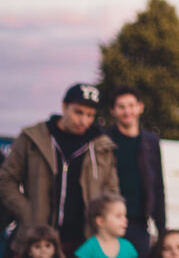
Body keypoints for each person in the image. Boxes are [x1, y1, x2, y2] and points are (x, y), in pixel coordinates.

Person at [0, 83, 119, 256]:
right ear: (64, 107)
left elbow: (111, 192)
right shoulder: (33, 137)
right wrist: (27, 211)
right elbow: (6, 179)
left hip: (83, 241)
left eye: (90, 115)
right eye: (78, 112)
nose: (84, 120)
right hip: (37, 240)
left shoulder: (102, 146)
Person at [106, 86, 167, 257]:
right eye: (121, 107)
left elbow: (158, 186)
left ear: (140, 107)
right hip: (109, 221)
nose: (127, 111)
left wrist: (162, 228)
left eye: (131, 105)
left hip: (138, 222)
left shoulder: (150, 142)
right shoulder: (104, 140)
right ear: (113, 110)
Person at [75, 193, 137, 258]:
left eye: (125, 216)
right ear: (101, 221)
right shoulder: (87, 250)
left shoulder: (128, 248)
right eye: (118, 216)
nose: (125, 220)